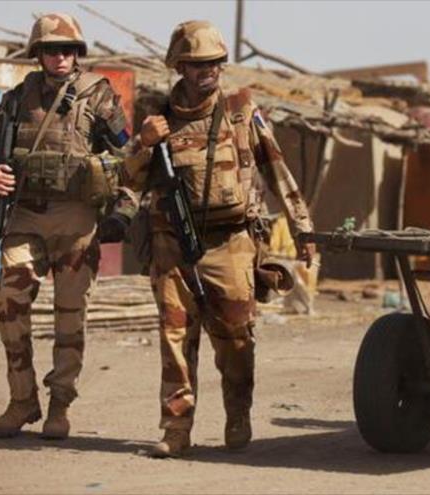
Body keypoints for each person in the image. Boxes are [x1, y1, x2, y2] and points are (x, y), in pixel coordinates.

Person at [122, 20, 315, 457]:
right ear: (179, 67)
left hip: (231, 243)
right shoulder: (159, 120)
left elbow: (276, 168)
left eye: (215, 62)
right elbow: (126, 180)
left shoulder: (241, 110)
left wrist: (302, 226)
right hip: (172, 243)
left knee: (236, 339)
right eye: (197, 63)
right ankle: (176, 429)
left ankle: (237, 412)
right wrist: (143, 144)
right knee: (175, 337)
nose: (208, 70)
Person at [0, 13, 130, 440]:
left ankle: (60, 404)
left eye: (67, 50)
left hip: (76, 218)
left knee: (70, 315)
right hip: (26, 214)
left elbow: (128, 155)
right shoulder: (16, 98)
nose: (60, 57)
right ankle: (22, 400)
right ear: (38, 55)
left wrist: (123, 210)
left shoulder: (97, 96)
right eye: (50, 50)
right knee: (10, 299)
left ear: (77, 54)